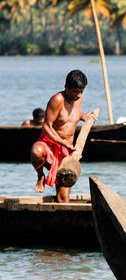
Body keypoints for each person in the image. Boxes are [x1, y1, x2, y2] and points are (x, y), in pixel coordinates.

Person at [30, 70, 94, 203]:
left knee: (63, 197)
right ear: (66, 87)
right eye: (75, 91)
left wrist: (83, 116)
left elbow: (70, 116)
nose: (79, 95)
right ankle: (40, 175)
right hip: (49, 144)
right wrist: (62, 142)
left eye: (81, 91)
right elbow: (46, 126)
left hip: (66, 153)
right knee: (36, 151)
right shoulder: (57, 99)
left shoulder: (79, 98)